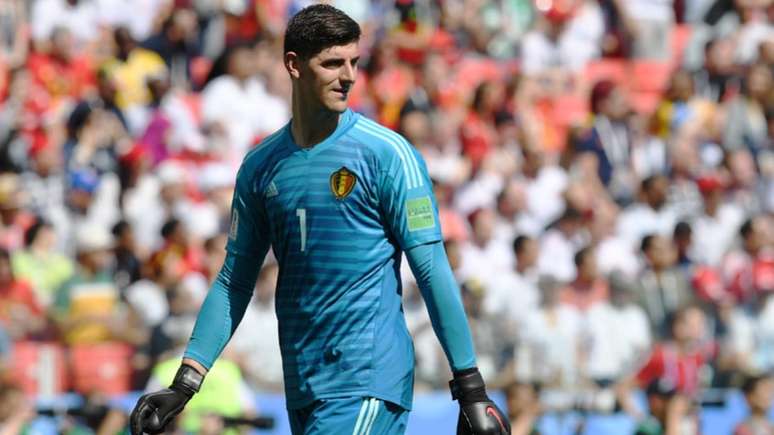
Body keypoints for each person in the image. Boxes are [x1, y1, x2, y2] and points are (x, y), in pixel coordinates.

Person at [130, 5, 510, 435]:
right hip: (303, 383)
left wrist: (471, 387)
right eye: (332, 63)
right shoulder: (261, 166)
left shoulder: (388, 155)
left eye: (354, 62)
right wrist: (186, 381)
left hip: (367, 378)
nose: (348, 75)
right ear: (293, 65)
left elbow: (431, 268)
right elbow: (234, 279)